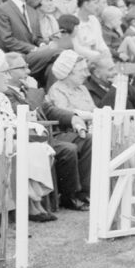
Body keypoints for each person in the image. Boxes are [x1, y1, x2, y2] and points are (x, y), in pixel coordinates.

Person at [0, 47, 57, 222]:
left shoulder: (3, 97)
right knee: (29, 149)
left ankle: (32, 201)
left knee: (40, 148)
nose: (7, 77)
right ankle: (30, 203)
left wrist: (30, 126)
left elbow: (14, 120)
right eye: (4, 73)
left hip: (13, 138)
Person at [43, 50, 93, 211]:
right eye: (82, 70)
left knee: (92, 139)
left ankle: (87, 192)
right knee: (87, 141)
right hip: (63, 132)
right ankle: (75, 194)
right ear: (68, 73)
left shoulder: (82, 89)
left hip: (83, 131)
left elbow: (93, 110)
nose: (87, 74)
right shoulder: (57, 89)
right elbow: (65, 114)